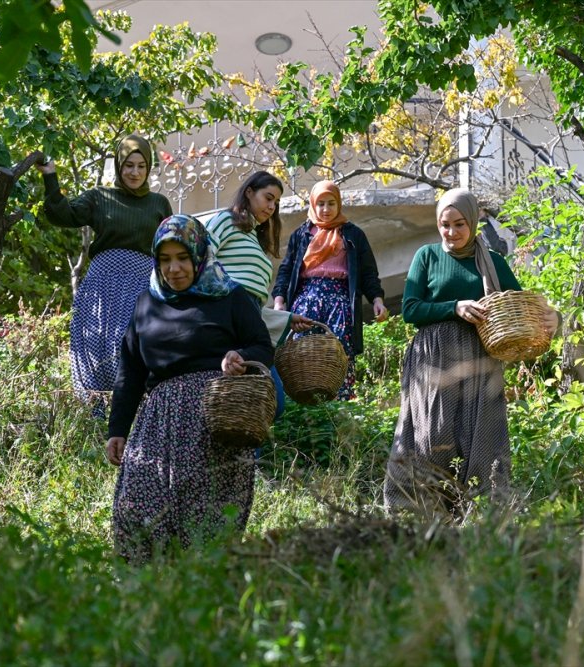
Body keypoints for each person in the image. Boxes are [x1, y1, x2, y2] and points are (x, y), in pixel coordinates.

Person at [105, 214, 274, 563]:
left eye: (182, 257)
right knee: (137, 511)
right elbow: (131, 371)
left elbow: (262, 347)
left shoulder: (230, 297)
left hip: (215, 421)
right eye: (165, 260)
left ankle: (201, 596)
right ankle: (145, 594)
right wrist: (117, 430)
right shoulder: (146, 304)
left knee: (205, 518)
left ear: (198, 254)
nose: (174, 269)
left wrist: (239, 357)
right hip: (158, 423)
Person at [383, 188, 559, 513]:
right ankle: (419, 511)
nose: (451, 232)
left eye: (459, 224)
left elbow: (518, 305)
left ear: (474, 223)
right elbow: (410, 309)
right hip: (434, 357)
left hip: (480, 358)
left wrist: (552, 315)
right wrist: (455, 307)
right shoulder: (427, 256)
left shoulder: (492, 262)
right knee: (431, 433)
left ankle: (478, 512)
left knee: (481, 436)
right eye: (444, 224)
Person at [36, 135, 172, 419]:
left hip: (142, 286)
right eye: (128, 166)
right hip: (103, 285)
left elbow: (169, 246)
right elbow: (63, 215)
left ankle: (136, 415)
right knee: (100, 344)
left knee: (134, 347)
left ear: (149, 169)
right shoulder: (100, 197)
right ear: (119, 166)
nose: (134, 172)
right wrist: (50, 177)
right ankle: (96, 416)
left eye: (141, 166)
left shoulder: (159, 203)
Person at [203, 171, 313, 418]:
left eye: (276, 202)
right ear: (249, 192)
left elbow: (251, 302)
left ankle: (249, 457)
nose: (272, 207)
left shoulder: (253, 238)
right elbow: (201, 260)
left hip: (249, 320)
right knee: (251, 397)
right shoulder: (225, 220)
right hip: (226, 318)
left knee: (269, 400)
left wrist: (286, 318)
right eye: (268, 198)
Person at [272, 180, 388, 400]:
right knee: (303, 354)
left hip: (340, 304)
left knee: (338, 353)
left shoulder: (353, 234)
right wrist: (279, 301)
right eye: (321, 204)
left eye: (331, 203)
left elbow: (368, 273)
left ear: (339, 204)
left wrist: (377, 299)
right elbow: (286, 270)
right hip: (306, 301)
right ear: (313, 205)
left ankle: (341, 407)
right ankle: (304, 408)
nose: (326, 209)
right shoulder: (302, 234)